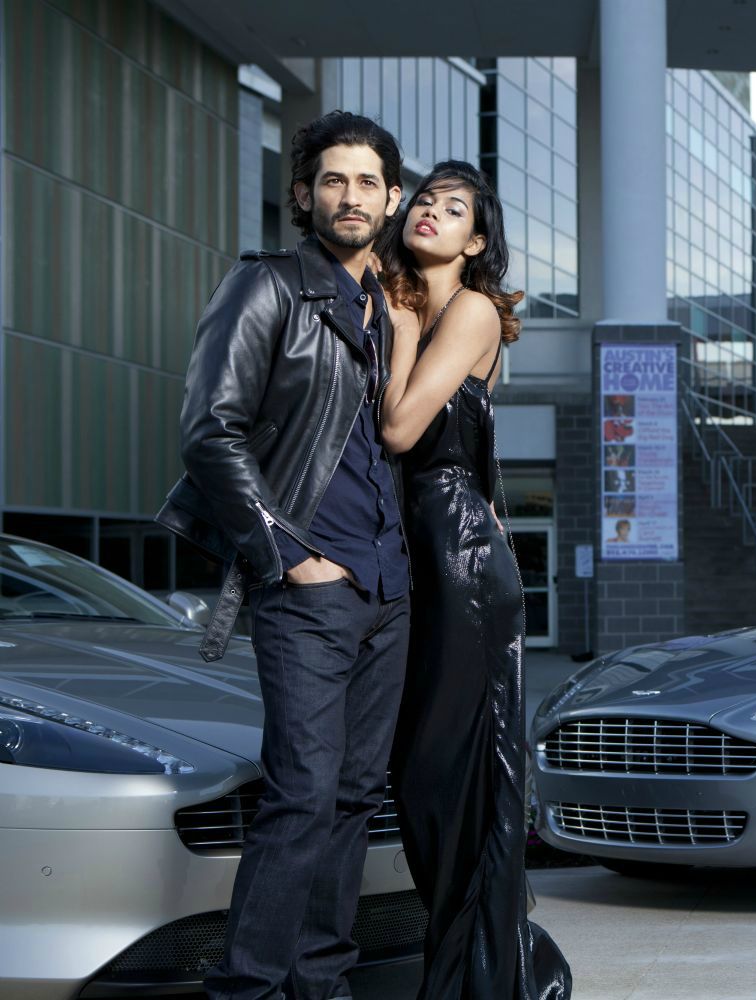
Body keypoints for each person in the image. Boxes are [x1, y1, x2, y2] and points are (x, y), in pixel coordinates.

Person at [156, 111, 410, 1000]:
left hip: (388, 586)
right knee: (302, 794)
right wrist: (287, 556)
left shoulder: (390, 306)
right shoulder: (265, 287)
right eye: (333, 180)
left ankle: (321, 985)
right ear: (303, 194)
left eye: (369, 182)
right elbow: (209, 431)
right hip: (311, 583)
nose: (352, 196)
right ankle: (250, 990)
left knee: (352, 797)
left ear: (389, 197)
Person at [376, 160, 571, 1000]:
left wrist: (404, 320)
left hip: (456, 559)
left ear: (477, 241)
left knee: (453, 778)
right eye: (423, 200)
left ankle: (483, 982)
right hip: (433, 550)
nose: (431, 212)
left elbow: (400, 425)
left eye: (454, 208)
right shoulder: (417, 305)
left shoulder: (472, 309)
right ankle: (473, 972)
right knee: (427, 777)